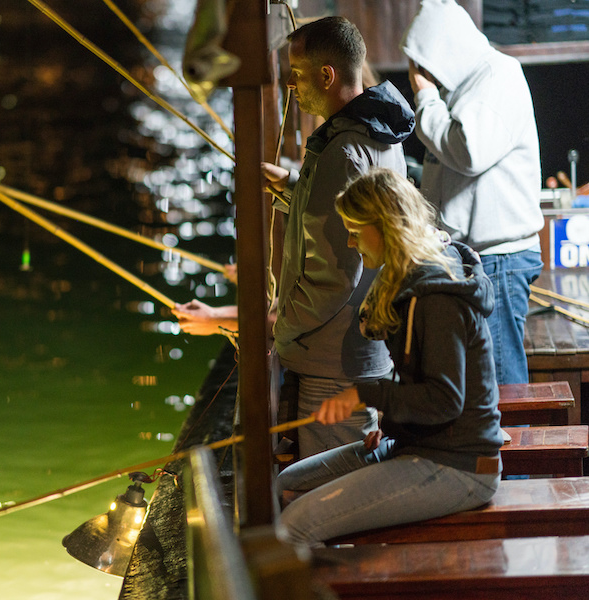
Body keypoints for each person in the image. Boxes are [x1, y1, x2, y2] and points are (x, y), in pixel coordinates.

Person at [176, 16, 415, 458]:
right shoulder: (380, 134)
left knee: (336, 489)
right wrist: (293, 186)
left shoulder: (343, 151)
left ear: (327, 76)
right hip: (361, 346)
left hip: (332, 358)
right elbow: (350, 215)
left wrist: (279, 329)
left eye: (298, 73)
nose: (289, 83)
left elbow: (334, 278)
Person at [275, 168, 503, 546]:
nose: (350, 243)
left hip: (460, 465)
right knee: (287, 483)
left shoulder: (436, 297)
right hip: (418, 444)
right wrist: (396, 423)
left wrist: (365, 394)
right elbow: (422, 382)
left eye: (354, 230)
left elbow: (445, 400)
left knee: (294, 524)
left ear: (385, 226)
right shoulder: (408, 277)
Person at [401, 0, 544, 384]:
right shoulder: (468, 83)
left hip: (498, 260)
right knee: (483, 381)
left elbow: (467, 152)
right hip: (477, 258)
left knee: (498, 383)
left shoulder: (499, 76)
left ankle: (510, 447)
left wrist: (425, 97)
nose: (422, 75)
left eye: (424, 65)